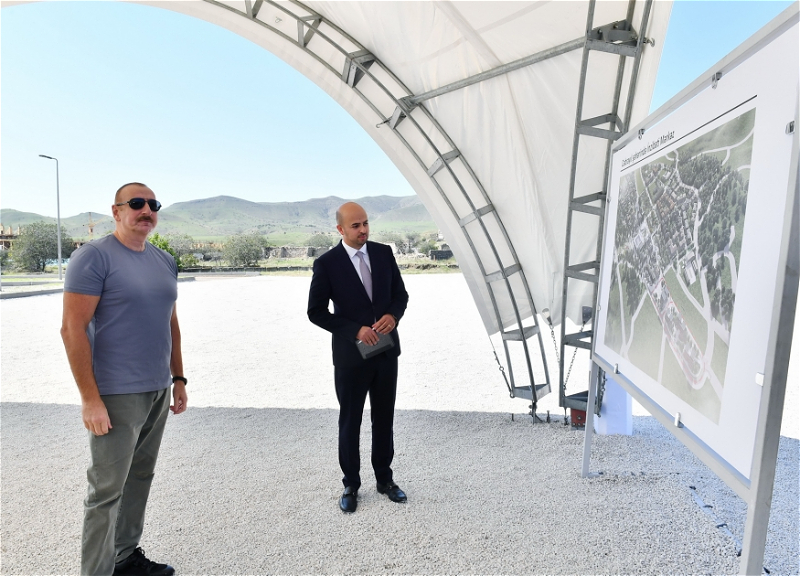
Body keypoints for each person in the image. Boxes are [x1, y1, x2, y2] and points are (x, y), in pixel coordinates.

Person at [61, 183, 188, 576]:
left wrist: (178, 378)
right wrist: (90, 399)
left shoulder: (164, 260)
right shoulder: (94, 257)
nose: (146, 209)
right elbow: (72, 329)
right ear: (116, 212)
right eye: (136, 203)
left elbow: (170, 322)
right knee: (106, 491)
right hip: (115, 394)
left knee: (140, 477)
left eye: (153, 204)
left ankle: (124, 557)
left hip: (157, 389)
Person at [307, 201, 410, 513]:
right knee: (350, 420)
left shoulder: (383, 253)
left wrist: (393, 315)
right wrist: (355, 330)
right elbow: (316, 312)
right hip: (351, 357)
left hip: (386, 351)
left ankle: (385, 480)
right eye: (356, 225)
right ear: (340, 229)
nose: (363, 230)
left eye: (365, 223)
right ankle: (351, 484)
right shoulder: (327, 264)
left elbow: (400, 295)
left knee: (384, 417)